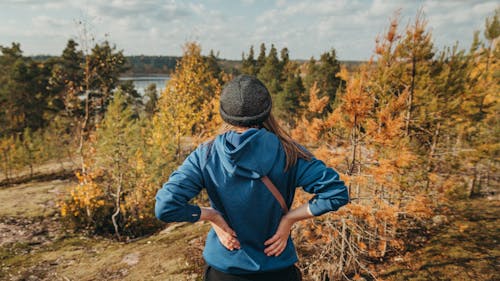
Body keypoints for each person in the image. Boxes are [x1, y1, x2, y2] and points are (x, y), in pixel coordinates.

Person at [155, 74, 349, 281]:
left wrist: (212, 216)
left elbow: (166, 206)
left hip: (224, 272)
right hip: (277, 267)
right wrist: (289, 219)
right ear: (267, 111)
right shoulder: (290, 153)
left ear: (224, 114)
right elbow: (336, 193)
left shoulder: (206, 155)